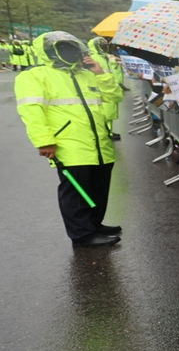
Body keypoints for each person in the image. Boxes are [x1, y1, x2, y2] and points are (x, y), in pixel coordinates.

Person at [13, 32, 123, 247]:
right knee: (76, 190)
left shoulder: (87, 74)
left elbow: (114, 97)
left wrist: (100, 73)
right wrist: (44, 140)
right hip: (69, 145)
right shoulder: (35, 76)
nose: (71, 53)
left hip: (99, 143)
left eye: (73, 48)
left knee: (98, 187)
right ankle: (82, 234)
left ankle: (94, 224)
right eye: (64, 48)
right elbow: (31, 111)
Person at [88, 37, 125, 140]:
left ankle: (109, 131)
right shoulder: (94, 58)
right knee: (106, 113)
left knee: (110, 113)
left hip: (109, 87)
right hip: (101, 89)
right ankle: (106, 132)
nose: (104, 48)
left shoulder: (105, 57)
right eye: (102, 46)